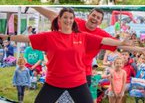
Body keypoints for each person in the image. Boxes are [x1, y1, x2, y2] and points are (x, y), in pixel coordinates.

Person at [0, 8, 128, 102]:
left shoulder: (82, 36)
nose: (68, 20)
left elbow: (104, 40)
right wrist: (7, 36)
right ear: (59, 19)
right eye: (65, 17)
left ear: (74, 21)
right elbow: (27, 38)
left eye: (71, 18)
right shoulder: (50, 36)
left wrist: (122, 42)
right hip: (54, 82)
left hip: (78, 83)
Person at [32, 7, 145, 87]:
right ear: (89, 16)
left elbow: (121, 45)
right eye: (93, 15)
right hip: (63, 70)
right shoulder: (75, 22)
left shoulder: (102, 35)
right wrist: (33, 6)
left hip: (83, 73)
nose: (95, 18)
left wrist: (141, 50)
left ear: (100, 22)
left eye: (98, 18)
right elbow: (53, 15)